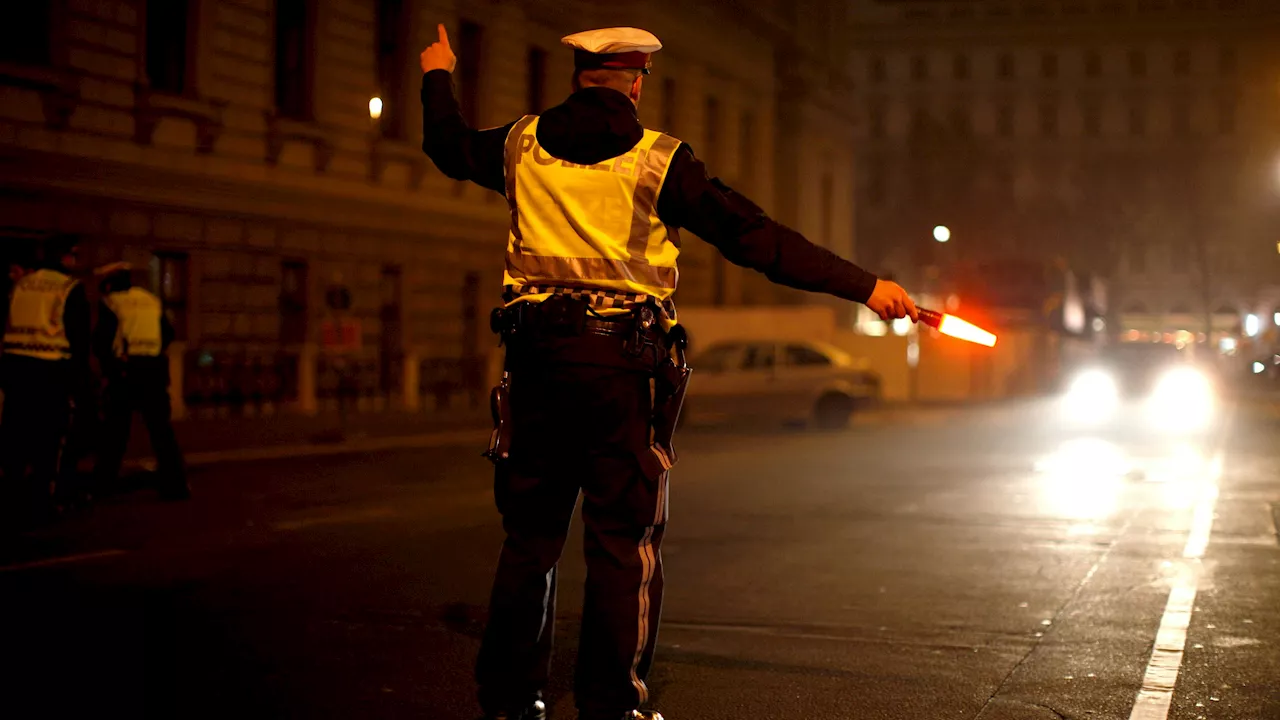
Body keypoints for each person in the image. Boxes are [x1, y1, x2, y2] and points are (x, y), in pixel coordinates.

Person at [420, 25, 917, 720]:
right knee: (622, 544)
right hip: (621, 372)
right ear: (636, 80)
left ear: (578, 76)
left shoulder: (519, 145)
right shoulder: (660, 160)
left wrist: (439, 73)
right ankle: (611, 703)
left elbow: (446, 145)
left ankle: (507, 699)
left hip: (535, 367)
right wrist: (863, 285)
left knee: (530, 539)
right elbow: (758, 240)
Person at [0, 234, 92, 529]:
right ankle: (41, 503)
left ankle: (11, 499)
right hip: (51, 372)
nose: (75, 262)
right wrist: (81, 382)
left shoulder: (20, 285)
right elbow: (79, 340)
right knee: (48, 440)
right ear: (64, 257)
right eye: (74, 256)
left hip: (15, 370)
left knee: (15, 436)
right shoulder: (69, 288)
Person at [91, 262, 189, 501]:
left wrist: (108, 370)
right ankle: (175, 483)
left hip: (125, 371)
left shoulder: (112, 302)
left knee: (116, 431)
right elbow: (168, 334)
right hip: (153, 370)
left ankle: (103, 486)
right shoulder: (150, 300)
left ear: (109, 283)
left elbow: (102, 341)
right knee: (161, 431)